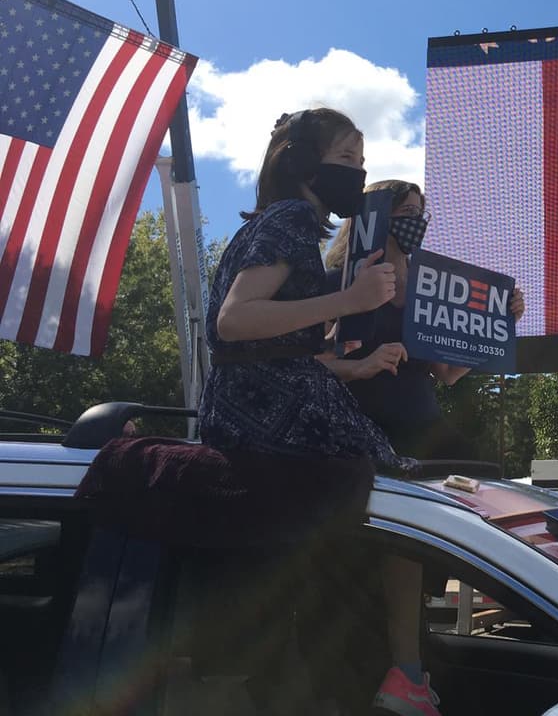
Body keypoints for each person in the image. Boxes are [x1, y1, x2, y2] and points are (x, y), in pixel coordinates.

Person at [197, 108, 442, 716]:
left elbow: (281, 342)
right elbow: (235, 321)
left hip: (261, 398)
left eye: (362, 162)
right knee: (405, 490)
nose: (358, 173)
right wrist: (349, 299)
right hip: (261, 408)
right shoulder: (290, 218)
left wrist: (355, 358)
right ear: (305, 164)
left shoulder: (288, 222)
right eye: (347, 159)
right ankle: (399, 670)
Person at [323, 179, 524, 460]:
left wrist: (499, 323)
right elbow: (311, 366)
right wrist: (361, 366)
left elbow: (448, 373)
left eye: (420, 214)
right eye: (407, 212)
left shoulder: (429, 287)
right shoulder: (338, 284)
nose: (417, 222)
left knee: (475, 470)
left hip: (424, 432)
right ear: (376, 216)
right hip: (356, 433)